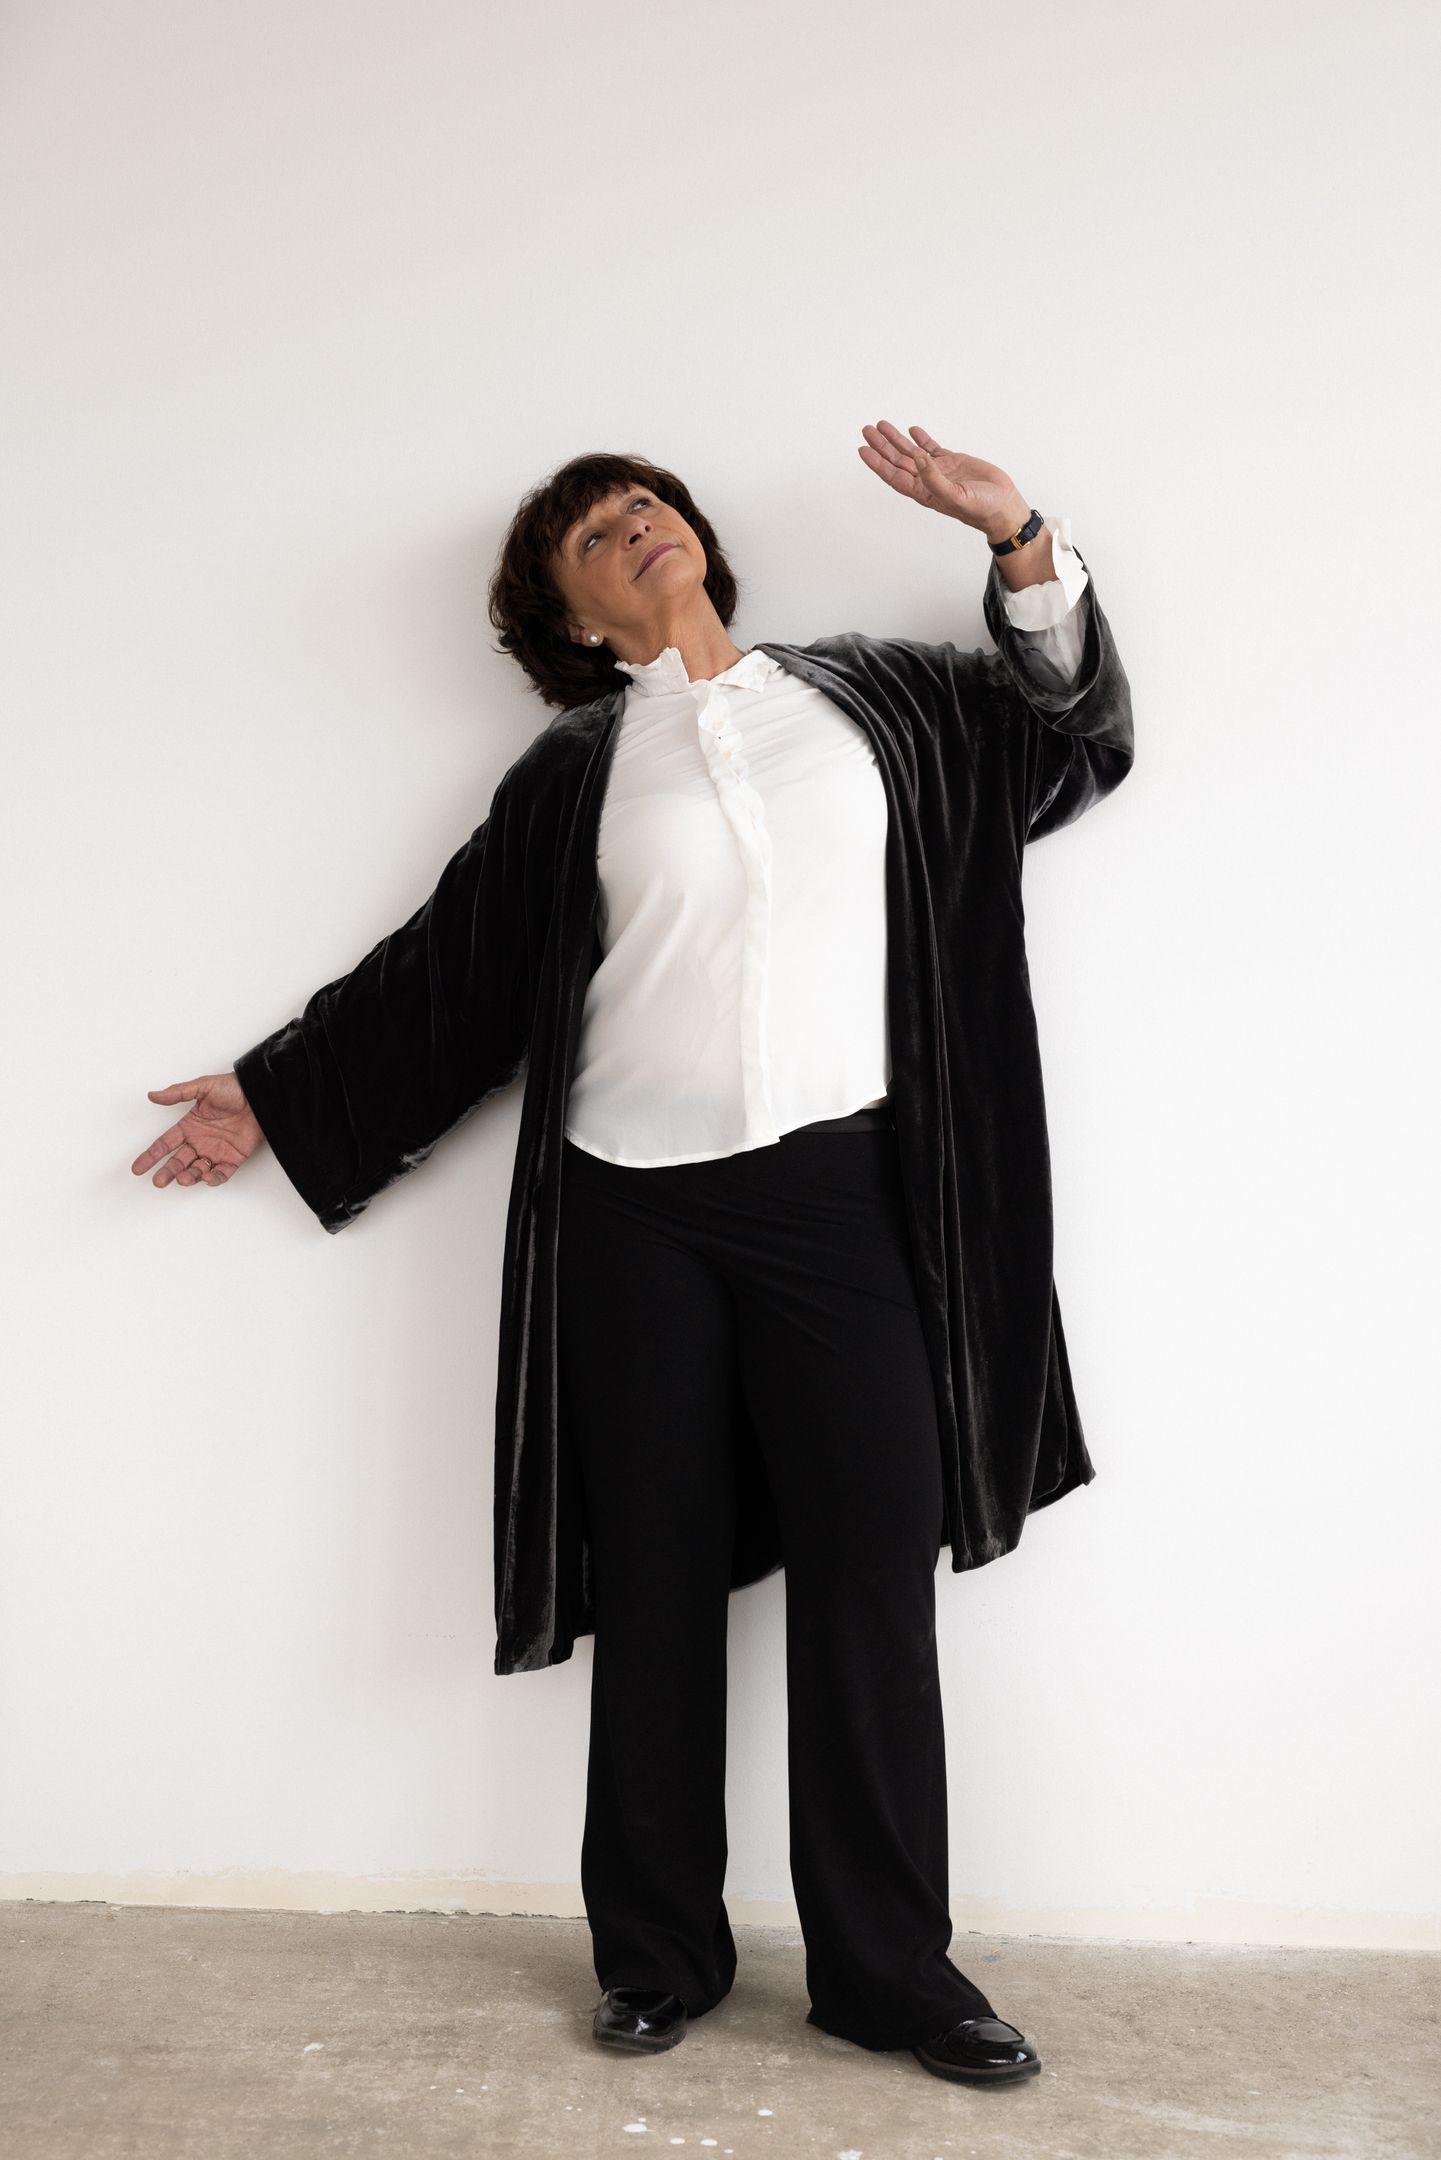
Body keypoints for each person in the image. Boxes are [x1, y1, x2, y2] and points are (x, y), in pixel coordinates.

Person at [131, 425, 1131, 2087]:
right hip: (633, 1211)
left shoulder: (885, 700)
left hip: (846, 1195)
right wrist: (276, 1091)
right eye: (593, 537)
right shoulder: (579, 771)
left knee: (869, 1585)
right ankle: (656, 1953)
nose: (633, 528)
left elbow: (1072, 734)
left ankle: (890, 1971)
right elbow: (449, 974)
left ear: (700, 542)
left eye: (645, 505)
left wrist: (1016, 533)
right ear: (576, 624)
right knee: (656, 1583)